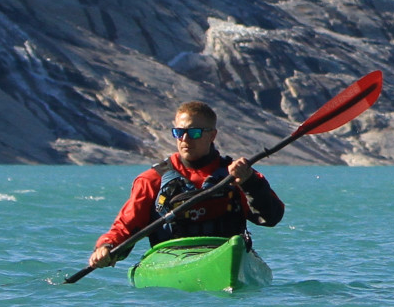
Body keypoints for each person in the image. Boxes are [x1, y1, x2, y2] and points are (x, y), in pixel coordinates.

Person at [87, 102, 285, 268]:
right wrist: (106, 247)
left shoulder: (238, 175)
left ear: (212, 135)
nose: (185, 139)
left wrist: (250, 181)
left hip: (226, 254)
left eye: (194, 133)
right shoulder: (151, 180)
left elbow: (271, 217)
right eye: (179, 132)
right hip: (171, 260)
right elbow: (125, 226)